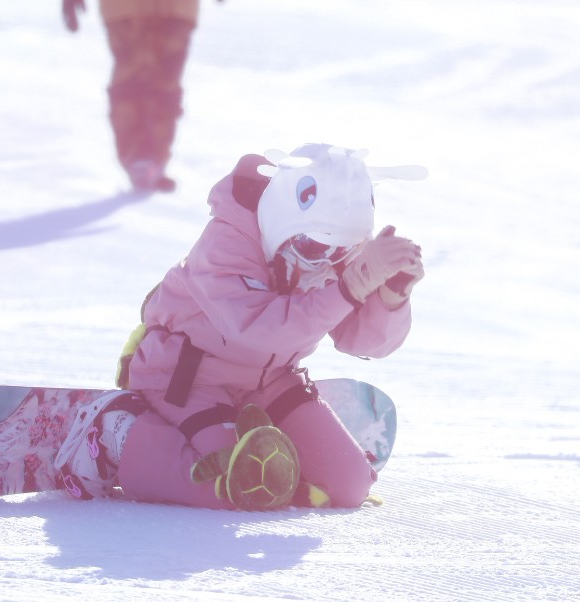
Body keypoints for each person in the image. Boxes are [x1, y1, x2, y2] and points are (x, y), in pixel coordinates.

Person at [55, 144, 427, 509]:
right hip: (187, 378)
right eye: (316, 248)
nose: (327, 261)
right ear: (284, 218)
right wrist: (355, 283)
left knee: (349, 486)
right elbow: (258, 327)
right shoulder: (226, 243)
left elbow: (357, 339)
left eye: (343, 251)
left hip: (270, 381)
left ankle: (268, 454)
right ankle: (116, 436)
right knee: (232, 485)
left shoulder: (329, 248)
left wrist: (391, 297)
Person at [62, 0, 203, 192]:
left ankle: (156, 160)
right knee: (131, 81)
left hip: (177, 8)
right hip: (126, 8)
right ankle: (137, 159)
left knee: (167, 82)